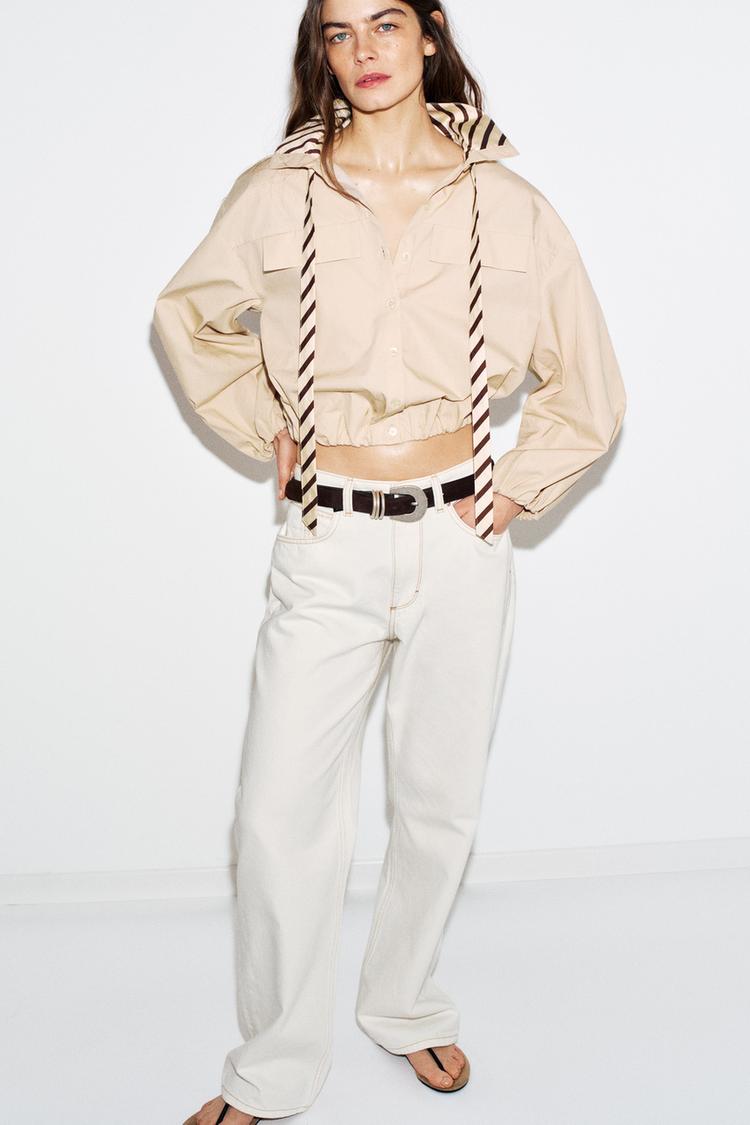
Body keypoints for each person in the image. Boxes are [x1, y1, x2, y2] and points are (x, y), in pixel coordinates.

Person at [153, 3, 626, 1122]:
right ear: (321, 51)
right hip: (328, 536)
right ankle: (275, 1064)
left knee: (439, 799)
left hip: (462, 535)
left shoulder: (508, 204)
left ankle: (405, 1003)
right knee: (276, 813)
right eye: (337, 31)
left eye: (385, 22)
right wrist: (264, 422)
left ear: (429, 36)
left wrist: (522, 483)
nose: (362, 50)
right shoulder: (278, 193)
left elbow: (587, 380)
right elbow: (187, 319)